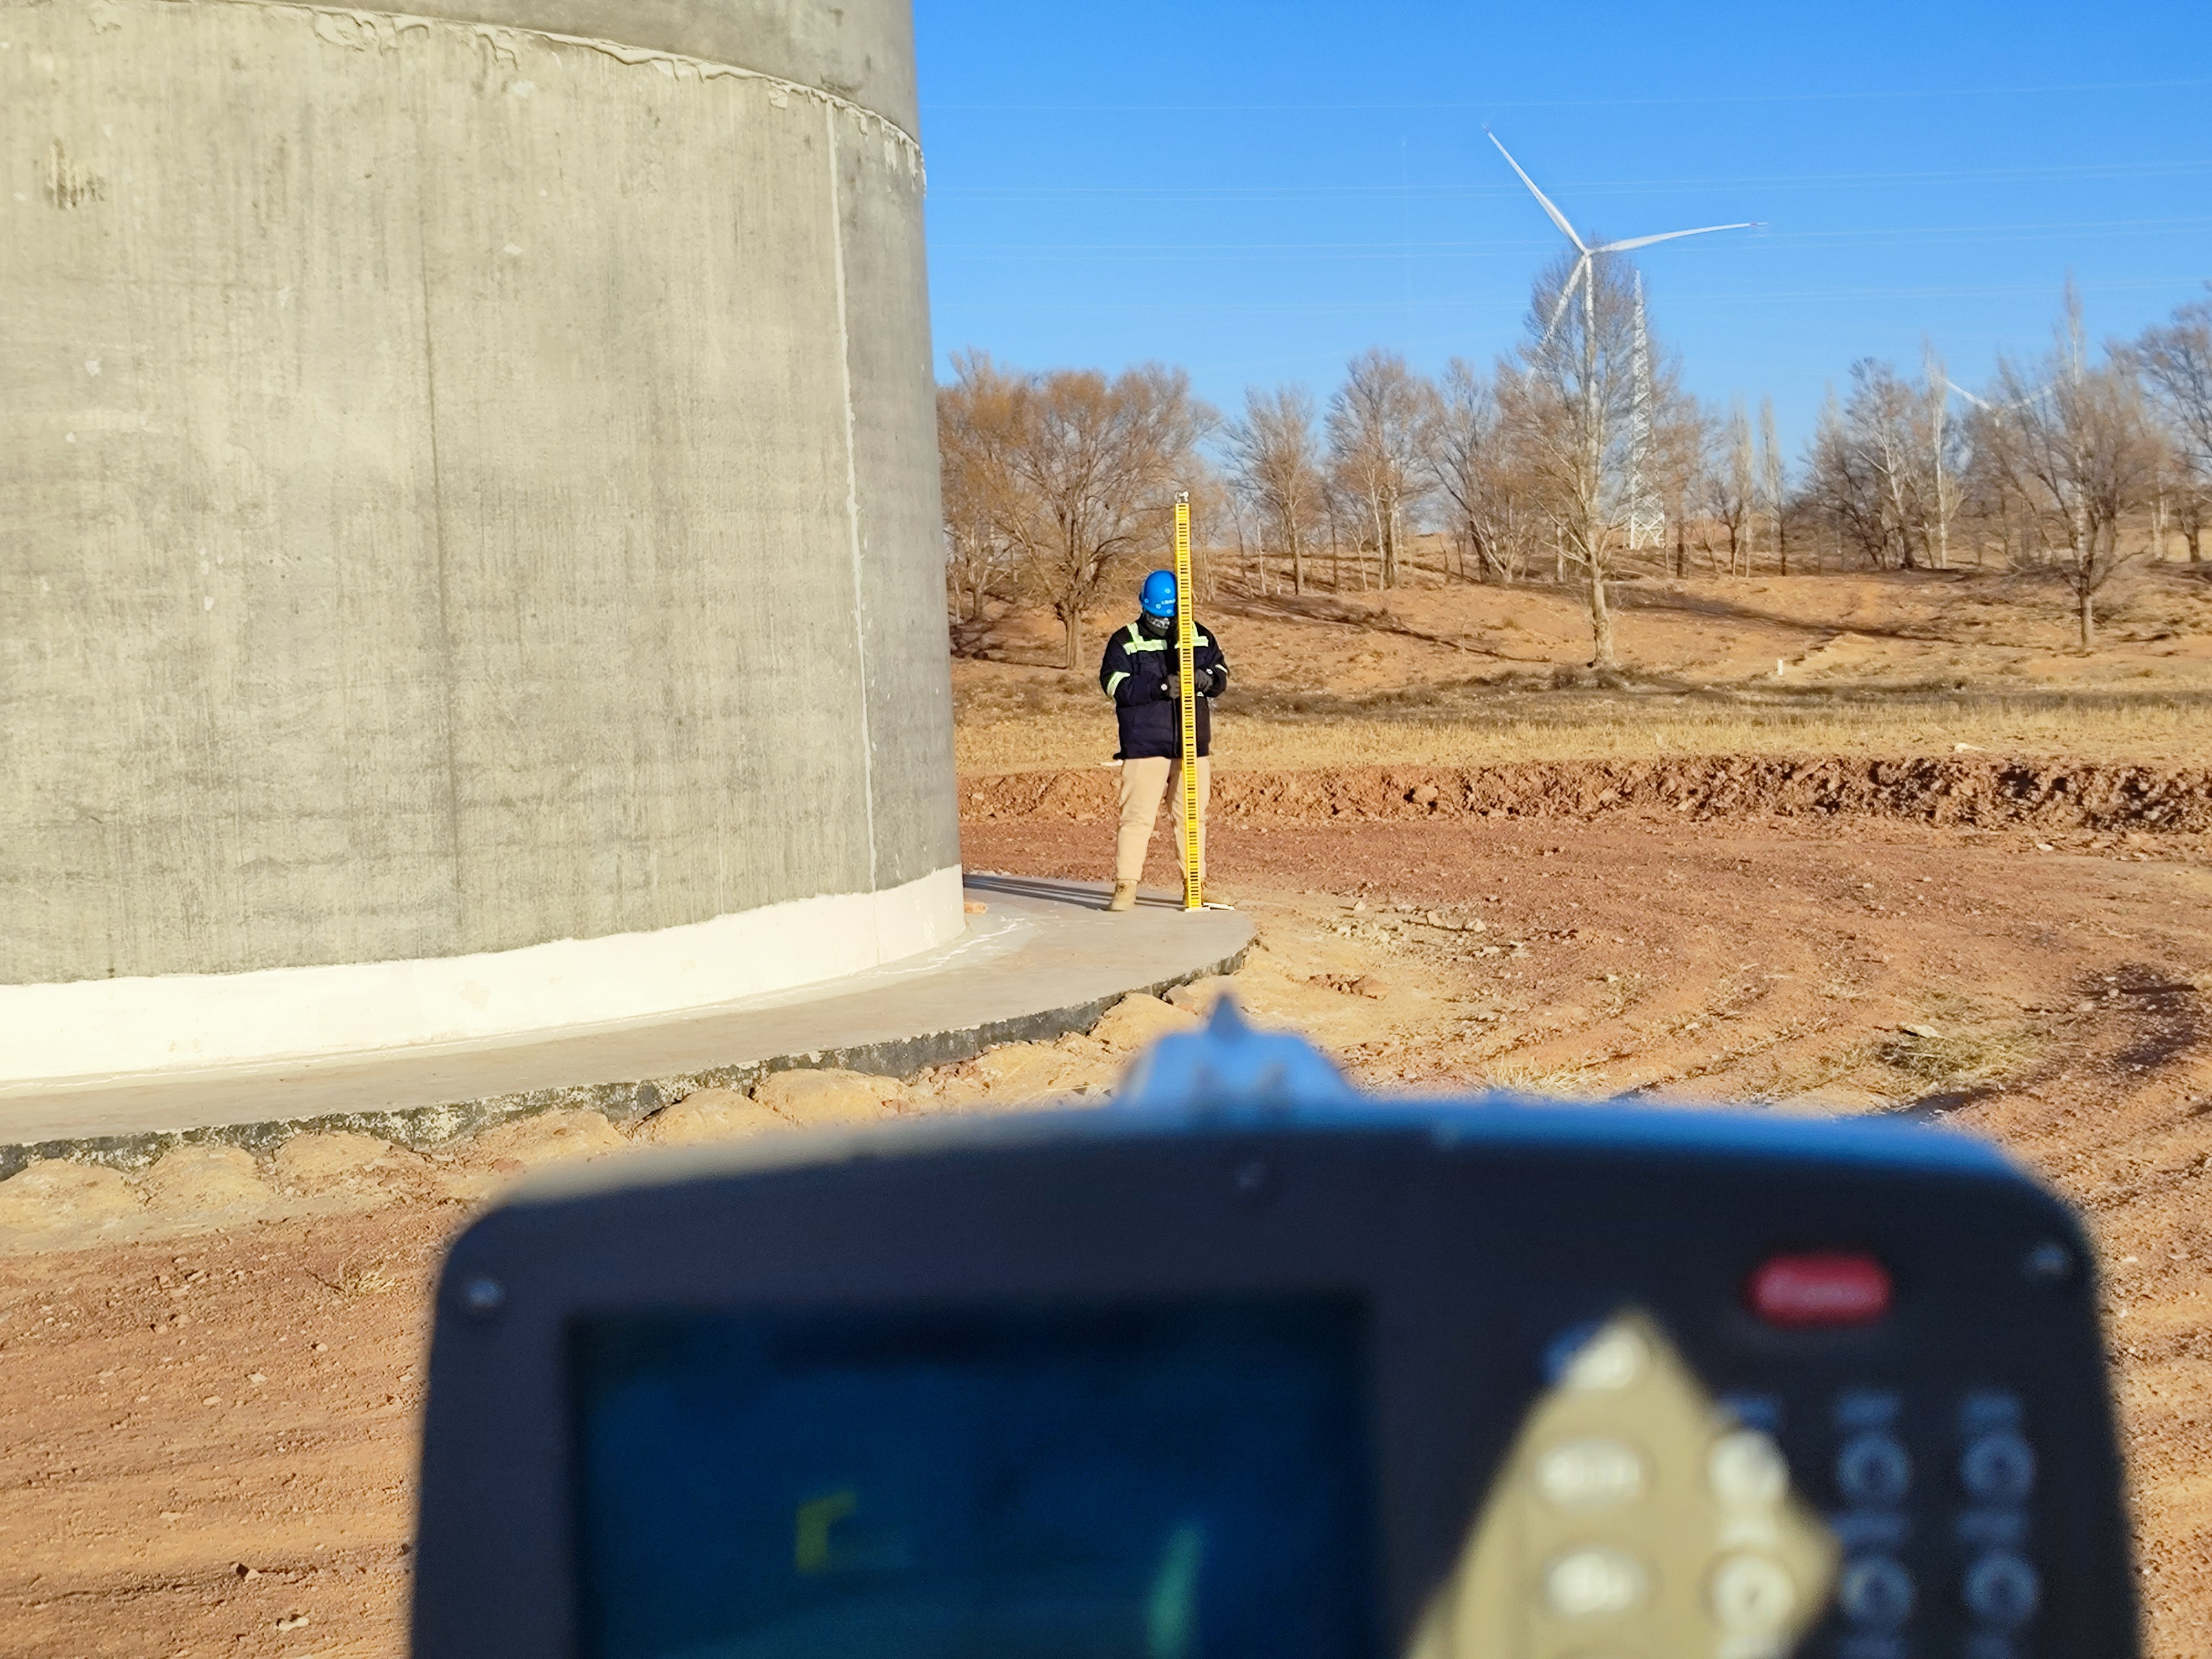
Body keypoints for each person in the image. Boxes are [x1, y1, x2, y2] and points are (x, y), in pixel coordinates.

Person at [1097, 569, 1229, 912]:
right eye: (1158, 615)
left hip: (1191, 746)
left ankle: (1194, 886)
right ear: (1144, 606)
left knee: (1192, 818)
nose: (1165, 622)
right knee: (1137, 818)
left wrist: (1206, 679)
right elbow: (1115, 686)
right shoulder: (1124, 641)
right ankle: (1126, 887)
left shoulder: (1199, 636)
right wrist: (1161, 686)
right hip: (1145, 746)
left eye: (1170, 616)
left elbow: (1222, 674)